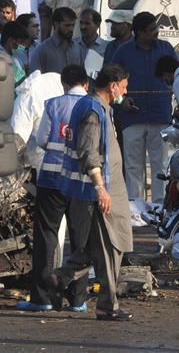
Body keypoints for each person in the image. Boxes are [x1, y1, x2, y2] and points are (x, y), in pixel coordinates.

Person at [51, 64, 134, 321]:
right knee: (110, 248)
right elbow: (89, 152)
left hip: (107, 190)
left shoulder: (100, 108)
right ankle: (108, 306)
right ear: (113, 86)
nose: (125, 92)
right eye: (124, 87)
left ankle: (60, 278)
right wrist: (100, 189)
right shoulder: (92, 111)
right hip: (96, 192)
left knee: (96, 249)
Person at [17, 65, 93, 312]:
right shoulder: (96, 107)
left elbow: (41, 139)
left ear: (64, 84)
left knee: (47, 236)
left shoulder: (52, 105)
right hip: (82, 181)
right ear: (86, 84)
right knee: (81, 239)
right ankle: (78, 299)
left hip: (52, 178)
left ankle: (42, 298)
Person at [109, 12, 176, 202]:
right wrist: (121, 101)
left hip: (160, 116)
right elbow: (111, 82)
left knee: (160, 165)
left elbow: (176, 77)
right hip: (132, 117)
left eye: (156, 27)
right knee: (133, 165)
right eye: (151, 29)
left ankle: (158, 207)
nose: (156, 32)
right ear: (139, 32)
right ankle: (136, 208)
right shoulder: (123, 52)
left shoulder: (166, 48)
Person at [29, 7, 82, 74]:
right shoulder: (43, 50)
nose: (71, 29)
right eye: (67, 25)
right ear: (56, 24)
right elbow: (34, 76)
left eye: (73, 25)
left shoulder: (77, 48)